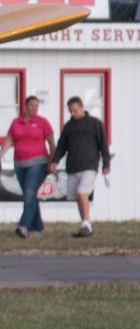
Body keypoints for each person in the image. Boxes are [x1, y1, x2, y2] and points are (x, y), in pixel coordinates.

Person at [49, 96, 112, 238]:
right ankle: (85, 225)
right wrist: (55, 161)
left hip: (89, 166)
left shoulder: (95, 124)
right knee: (78, 196)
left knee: (82, 192)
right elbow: (61, 146)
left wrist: (106, 164)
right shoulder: (68, 126)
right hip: (73, 167)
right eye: (70, 111)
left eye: (75, 110)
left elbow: (103, 145)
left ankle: (86, 223)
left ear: (82, 107)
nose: (73, 114)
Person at [0, 95, 55, 238]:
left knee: (29, 192)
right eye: (31, 105)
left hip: (39, 162)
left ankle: (23, 226)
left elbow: (52, 143)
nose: (34, 108)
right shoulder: (16, 123)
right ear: (25, 106)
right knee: (30, 195)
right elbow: (9, 140)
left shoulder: (42, 122)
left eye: (36, 106)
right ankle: (37, 228)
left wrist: (52, 161)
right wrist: (1, 153)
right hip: (20, 164)